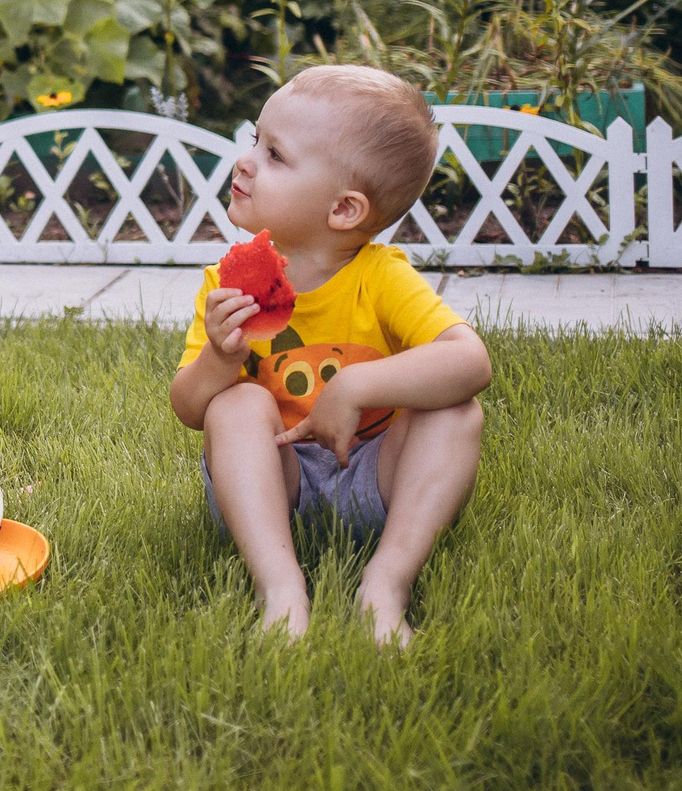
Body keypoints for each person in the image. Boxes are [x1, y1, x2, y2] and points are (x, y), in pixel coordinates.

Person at [168, 64, 491, 643]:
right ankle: (280, 588)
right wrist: (219, 358)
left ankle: (385, 584)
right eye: (255, 141)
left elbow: (471, 362)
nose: (245, 161)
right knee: (235, 403)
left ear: (344, 210)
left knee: (457, 411)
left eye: (275, 155)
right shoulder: (228, 283)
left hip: (376, 477)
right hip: (272, 486)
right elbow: (189, 409)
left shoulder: (381, 277)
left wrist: (355, 387)